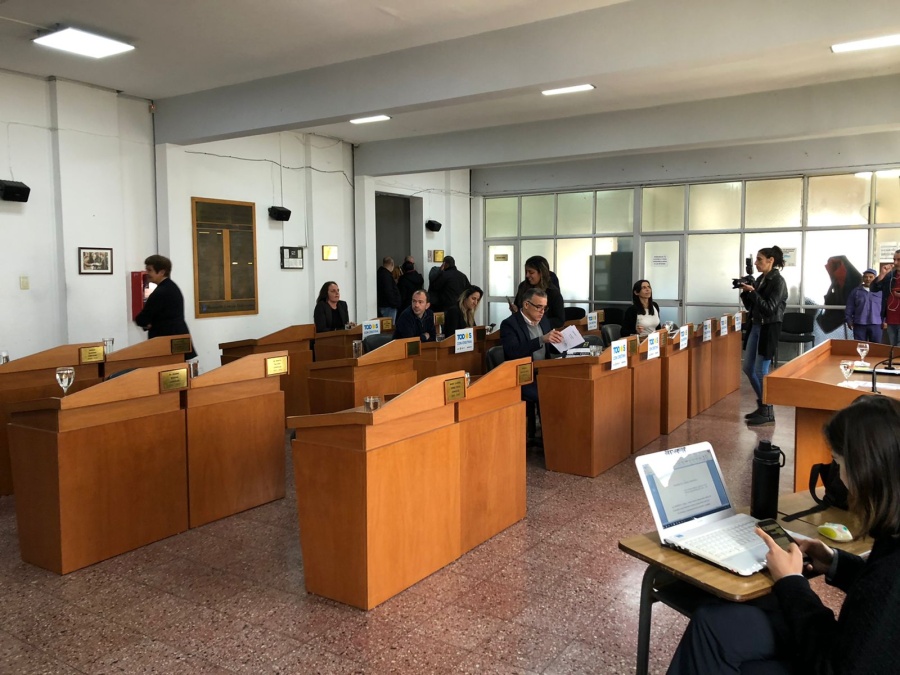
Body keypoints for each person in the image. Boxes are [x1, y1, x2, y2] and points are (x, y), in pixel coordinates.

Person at [668, 395, 900, 675]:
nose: (840, 478)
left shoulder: (890, 575)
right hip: (844, 648)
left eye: (839, 463)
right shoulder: (892, 541)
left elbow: (837, 665)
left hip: (832, 658)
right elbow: (877, 596)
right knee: (712, 623)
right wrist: (835, 562)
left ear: (867, 471)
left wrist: (791, 583)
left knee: (732, 646)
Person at [500, 288, 563, 445]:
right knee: (547, 393)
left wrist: (562, 342)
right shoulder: (510, 324)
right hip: (523, 376)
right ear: (526, 305)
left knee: (566, 387)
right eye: (539, 307)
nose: (542, 312)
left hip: (543, 372)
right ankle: (549, 440)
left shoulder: (544, 321)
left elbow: (550, 348)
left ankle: (559, 436)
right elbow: (513, 352)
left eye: (544, 308)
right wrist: (541, 339)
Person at [739, 246, 788, 426]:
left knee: (761, 370)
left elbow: (769, 308)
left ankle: (767, 410)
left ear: (770, 260)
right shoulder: (761, 279)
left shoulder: (778, 281)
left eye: (759, 259)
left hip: (769, 327)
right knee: (748, 367)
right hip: (756, 325)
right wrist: (746, 292)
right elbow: (751, 307)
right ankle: (763, 405)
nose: (756, 263)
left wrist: (753, 292)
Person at [135, 254, 196, 358]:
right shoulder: (172, 287)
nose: (147, 273)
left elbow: (142, 318)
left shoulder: (160, 292)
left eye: (150, 270)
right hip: (177, 340)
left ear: (162, 272)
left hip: (166, 342)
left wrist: (147, 323)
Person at [510, 256, 565, 329]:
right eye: (526, 272)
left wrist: (539, 323)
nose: (527, 275)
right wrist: (515, 310)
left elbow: (559, 321)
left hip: (543, 331)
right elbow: (518, 307)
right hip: (522, 329)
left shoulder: (553, 293)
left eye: (531, 272)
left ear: (541, 273)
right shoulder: (522, 287)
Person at [844, 268, 883, 343]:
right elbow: (849, 307)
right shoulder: (855, 291)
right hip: (859, 324)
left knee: (876, 346)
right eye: (866, 277)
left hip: (876, 324)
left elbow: (885, 307)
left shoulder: (881, 291)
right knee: (860, 345)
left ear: (875, 278)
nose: (868, 279)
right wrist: (849, 320)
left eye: (871, 277)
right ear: (863, 278)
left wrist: (885, 321)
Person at [871, 249, 900, 346]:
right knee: (893, 348)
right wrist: (882, 274)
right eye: (894, 259)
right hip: (891, 319)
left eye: (899, 260)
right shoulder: (890, 276)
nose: (895, 263)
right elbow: (873, 288)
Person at [376, 256, 401, 322]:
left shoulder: (380, 273)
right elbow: (389, 291)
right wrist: (395, 304)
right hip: (389, 306)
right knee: (389, 325)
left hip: (383, 304)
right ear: (392, 264)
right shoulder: (387, 276)